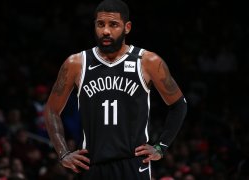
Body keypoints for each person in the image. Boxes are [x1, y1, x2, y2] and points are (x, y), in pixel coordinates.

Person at [44, 0, 187, 179]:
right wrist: (63, 153)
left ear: (127, 27)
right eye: (100, 24)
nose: (105, 31)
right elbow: (51, 109)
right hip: (92, 164)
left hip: (133, 164)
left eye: (113, 25)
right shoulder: (76, 63)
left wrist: (161, 146)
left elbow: (179, 104)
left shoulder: (148, 62)